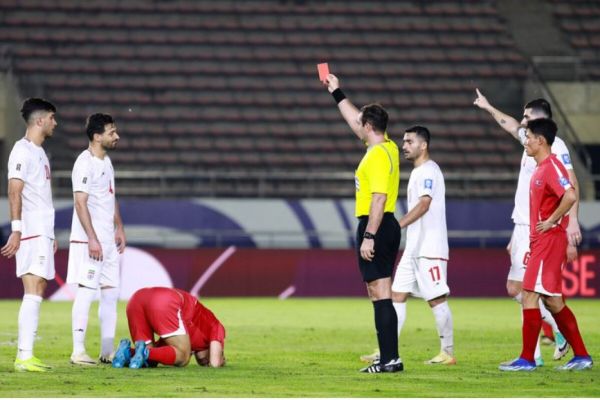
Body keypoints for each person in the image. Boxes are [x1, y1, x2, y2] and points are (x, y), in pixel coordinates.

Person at [474, 91, 576, 363]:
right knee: (520, 289)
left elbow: (570, 186)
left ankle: (546, 342)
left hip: (540, 229)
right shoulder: (529, 141)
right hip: (523, 225)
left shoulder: (558, 148)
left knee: (527, 290)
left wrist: (571, 224)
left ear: (540, 121)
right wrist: (487, 106)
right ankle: (542, 347)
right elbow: (509, 125)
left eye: (526, 116)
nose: (521, 121)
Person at [324, 74, 403, 373]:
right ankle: (389, 357)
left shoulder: (376, 158)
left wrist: (369, 235)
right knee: (379, 291)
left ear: (368, 127)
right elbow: (355, 118)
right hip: (385, 225)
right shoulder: (389, 147)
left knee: (381, 292)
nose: (356, 126)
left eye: (361, 124)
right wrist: (336, 92)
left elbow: (379, 199)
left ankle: (389, 359)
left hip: (377, 225)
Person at [499, 119, 592, 371]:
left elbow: (570, 194)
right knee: (553, 302)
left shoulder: (551, 167)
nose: (525, 141)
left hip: (549, 242)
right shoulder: (540, 167)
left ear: (540, 140)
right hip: (542, 242)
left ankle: (527, 359)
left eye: (528, 136)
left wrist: (551, 221)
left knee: (529, 294)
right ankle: (581, 355)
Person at [1, 98, 58, 372]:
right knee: (33, 288)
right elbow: (15, 190)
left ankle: (27, 354)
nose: (54, 123)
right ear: (39, 120)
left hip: (41, 231)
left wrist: (51, 233)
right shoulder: (21, 151)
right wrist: (16, 230)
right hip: (30, 231)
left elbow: (40, 196)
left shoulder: (39, 152)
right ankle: (24, 355)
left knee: (39, 288)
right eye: (51, 118)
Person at [66, 113, 126, 365]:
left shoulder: (107, 161)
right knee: (86, 291)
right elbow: (80, 203)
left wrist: (119, 227)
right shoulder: (84, 162)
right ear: (97, 136)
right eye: (112, 132)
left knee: (111, 294)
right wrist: (92, 238)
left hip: (108, 241)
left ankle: (107, 350)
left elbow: (110, 197)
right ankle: (77, 350)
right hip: (89, 241)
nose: (117, 136)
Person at [111, 287, 226, 369]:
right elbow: (215, 363)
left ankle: (125, 352)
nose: (205, 363)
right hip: (165, 301)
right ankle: (141, 352)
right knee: (183, 358)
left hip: (137, 300)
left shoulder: (185, 337)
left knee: (149, 361)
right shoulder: (216, 326)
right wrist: (222, 362)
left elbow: (159, 349)